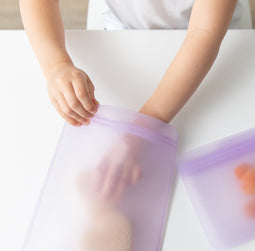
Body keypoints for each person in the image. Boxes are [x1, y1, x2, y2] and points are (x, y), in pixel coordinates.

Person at [19, 0, 241, 200]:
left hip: (213, 25)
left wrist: (140, 131)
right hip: (123, 24)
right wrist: (56, 64)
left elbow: (204, 32)